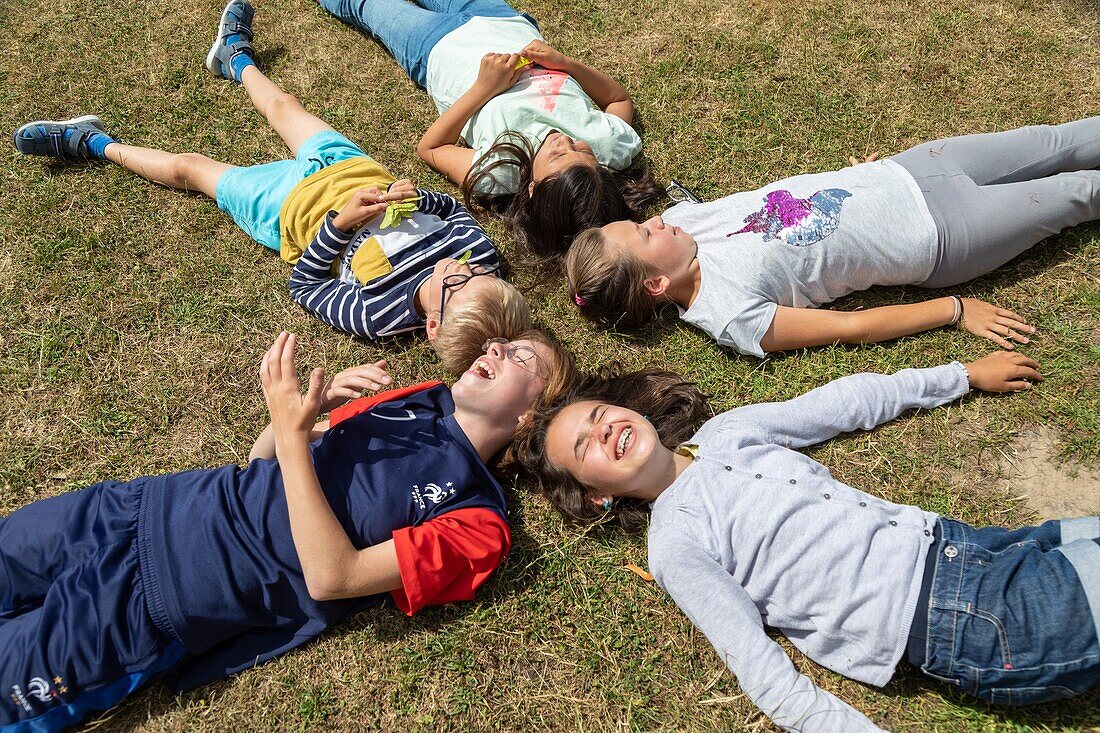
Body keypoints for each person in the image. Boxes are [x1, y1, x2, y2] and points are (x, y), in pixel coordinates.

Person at [0, 329, 574, 732]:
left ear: (532, 415)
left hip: (162, 602)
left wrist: (293, 433)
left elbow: (333, 577)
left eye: (523, 356)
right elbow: (261, 466)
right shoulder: (417, 401)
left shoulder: (479, 521)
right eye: (504, 341)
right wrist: (305, 415)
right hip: (140, 507)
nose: (497, 346)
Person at [515, 351, 1100, 732]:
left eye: (597, 413)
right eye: (585, 446)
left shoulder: (728, 433)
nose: (604, 429)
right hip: (951, 621)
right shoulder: (674, 543)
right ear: (596, 496)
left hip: (962, 544)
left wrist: (959, 376)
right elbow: (759, 665)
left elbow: (841, 404)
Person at [12, 0, 530, 374]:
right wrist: (415, 198)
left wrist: (341, 223)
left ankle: (90, 142)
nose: (460, 268)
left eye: (456, 285)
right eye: (477, 273)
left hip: (291, 208)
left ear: (433, 327)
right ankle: (235, 58)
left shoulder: (380, 314)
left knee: (193, 169)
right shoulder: (479, 258)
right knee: (285, 106)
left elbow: (306, 287)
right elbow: (455, 216)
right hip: (352, 169)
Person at [566, 118, 1100, 357]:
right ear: (657, 284)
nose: (655, 219)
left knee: (1058, 141)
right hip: (946, 235)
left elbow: (792, 199)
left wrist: (853, 180)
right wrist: (955, 310)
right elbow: (854, 327)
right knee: (1079, 192)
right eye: (643, 232)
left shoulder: (689, 225)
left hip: (910, 169)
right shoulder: (729, 311)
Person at [313, 0, 664, 260]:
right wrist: (565, 63)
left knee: (366, 4)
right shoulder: (608, 147)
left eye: (558, 155)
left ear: (530, 188)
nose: (564, 142)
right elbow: (618, 99)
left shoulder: (500, 174)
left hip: (436, 49)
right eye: (581, 150)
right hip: (502, 20)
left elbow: (431, 148)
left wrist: (484, 87)